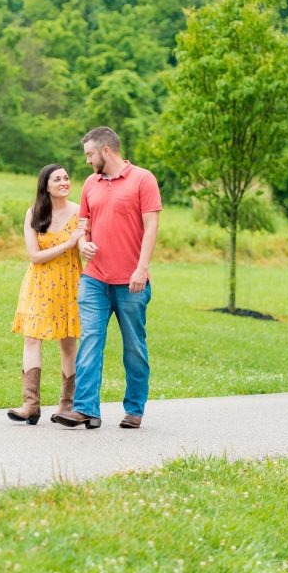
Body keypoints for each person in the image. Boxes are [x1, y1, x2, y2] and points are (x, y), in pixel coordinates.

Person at [54, 126, 161, 430]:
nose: (87, 161)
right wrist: (82, 242)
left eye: (89, 154)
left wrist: (141, 269)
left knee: (134, 347)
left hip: (131, 281)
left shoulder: (143, 180)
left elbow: (151, 227)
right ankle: (86, 409)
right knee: (90, 340)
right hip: (95, 279)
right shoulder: (90, 183)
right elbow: (83, 225)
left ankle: (134, 409)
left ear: (105, 151)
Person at [8, 164, 88, 425]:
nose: (64, 182)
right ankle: (30, 405)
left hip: (69, 282)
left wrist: (83, 245)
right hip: (39, 283)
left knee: (68, 342)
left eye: (66, 178)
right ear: (46, 185)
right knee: (32, 339)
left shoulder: (80, 212)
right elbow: (35, 256)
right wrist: (67, 243)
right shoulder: (34, 214)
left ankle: (68, 404)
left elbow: (85, 245)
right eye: (58, 179)